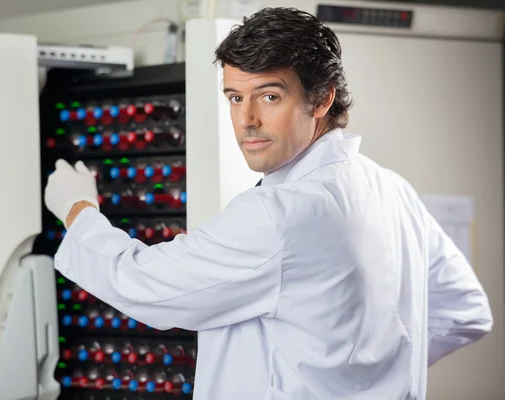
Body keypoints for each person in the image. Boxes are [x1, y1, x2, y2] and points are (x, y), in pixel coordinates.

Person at [44, 7, 493, 400]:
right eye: (235, 98)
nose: (246, 121)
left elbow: (143, 285)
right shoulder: (391, 188)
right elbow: (466, 312)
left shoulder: (278, 216)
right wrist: (375, 379)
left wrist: (78, 209)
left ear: (322, 99)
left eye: (270, 96)